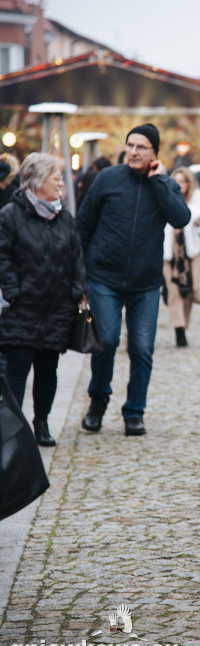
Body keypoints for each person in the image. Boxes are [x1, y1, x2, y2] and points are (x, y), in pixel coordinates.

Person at [76, 123, 191, 437]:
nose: (134, 152)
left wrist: (159, 183)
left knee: (141, 348)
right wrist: (79, 273)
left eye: (141, 147)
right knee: (107, 341)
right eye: (130, 145)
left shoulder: (164, 184)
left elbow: (181, 218)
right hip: (103, 277)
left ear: (154, 153)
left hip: (145, 282)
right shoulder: (108, 178)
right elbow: (83, 225)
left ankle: (134, 412)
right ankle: (97, 401)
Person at [0, 153, 87, 447]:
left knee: (48, 371)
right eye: (56, 177)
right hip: (22, 308)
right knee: (17, 370)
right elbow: (3, 257)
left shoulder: (64, 217)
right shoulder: (10, 214)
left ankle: (41, 422)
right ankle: (13, 428)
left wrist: (77, 290)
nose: (62, 182)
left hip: (57, 309)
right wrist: (13, 290)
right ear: (37, 181)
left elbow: (76, 257)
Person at [163, 167, 200, 347]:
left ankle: (184, 325)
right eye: (176, 181)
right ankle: (179, 330)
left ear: (189, 183)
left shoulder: (199, 201)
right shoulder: (165, 198)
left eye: (183, 181)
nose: (179, 185)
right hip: (168, 253)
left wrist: (199, 225)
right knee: (174, 291)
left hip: (191, 253)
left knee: (188, 293)